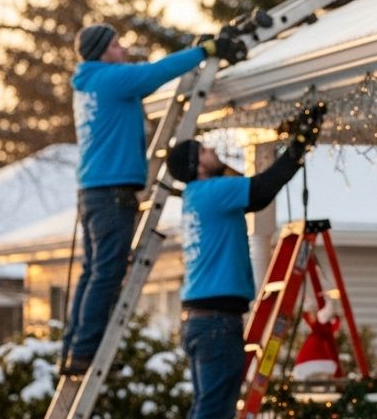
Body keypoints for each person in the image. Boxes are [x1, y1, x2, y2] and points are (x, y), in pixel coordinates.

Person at [62, 24, 244, 376]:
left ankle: (74, 349)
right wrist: (204, 51)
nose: (123, 49)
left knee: (93, 272)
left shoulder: (88, 84)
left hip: (94, 190)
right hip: (112, 192)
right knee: (107, 273)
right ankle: (85, 351)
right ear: (102, 51)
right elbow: (156, 72)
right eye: (117, 44)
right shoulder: (109, 79)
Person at [164, 104, 325, 419]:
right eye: (204, 150)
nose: (212, 150)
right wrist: (298, 145)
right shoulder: (211, 192)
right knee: (214, 409)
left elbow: (253, 196)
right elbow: (262, 189)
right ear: (197, 165)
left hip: (203, 319)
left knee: (205, 406)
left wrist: (288, 142)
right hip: (216, 321)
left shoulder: (199, 195)